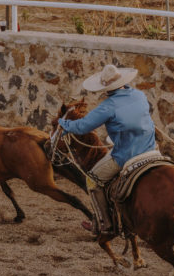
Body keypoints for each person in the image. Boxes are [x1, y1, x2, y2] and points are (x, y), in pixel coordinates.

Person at [57, 63, 157, 235]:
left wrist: (63, 123)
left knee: (92, 180)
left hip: (127, 154)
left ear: (105, 86)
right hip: (151, 148)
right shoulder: (139, 95)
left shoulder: (108, 106)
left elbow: (82, 127)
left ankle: (105, 223)